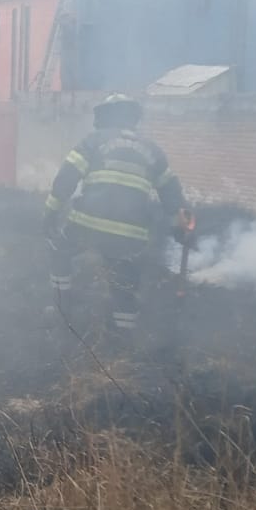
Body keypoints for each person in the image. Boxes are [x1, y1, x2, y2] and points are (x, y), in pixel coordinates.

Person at [43, 93, 190, 338]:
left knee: (59, 250)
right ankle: (124, 337)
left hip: (87, 225)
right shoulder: (153, 150)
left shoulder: (93, 141)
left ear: (104, 116)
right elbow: (172, 194)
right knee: (125, 280)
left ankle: (62, 310)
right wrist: (180, 228)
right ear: (133, 118)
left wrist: (51, 213)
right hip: (130, 235)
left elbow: (66, 178)